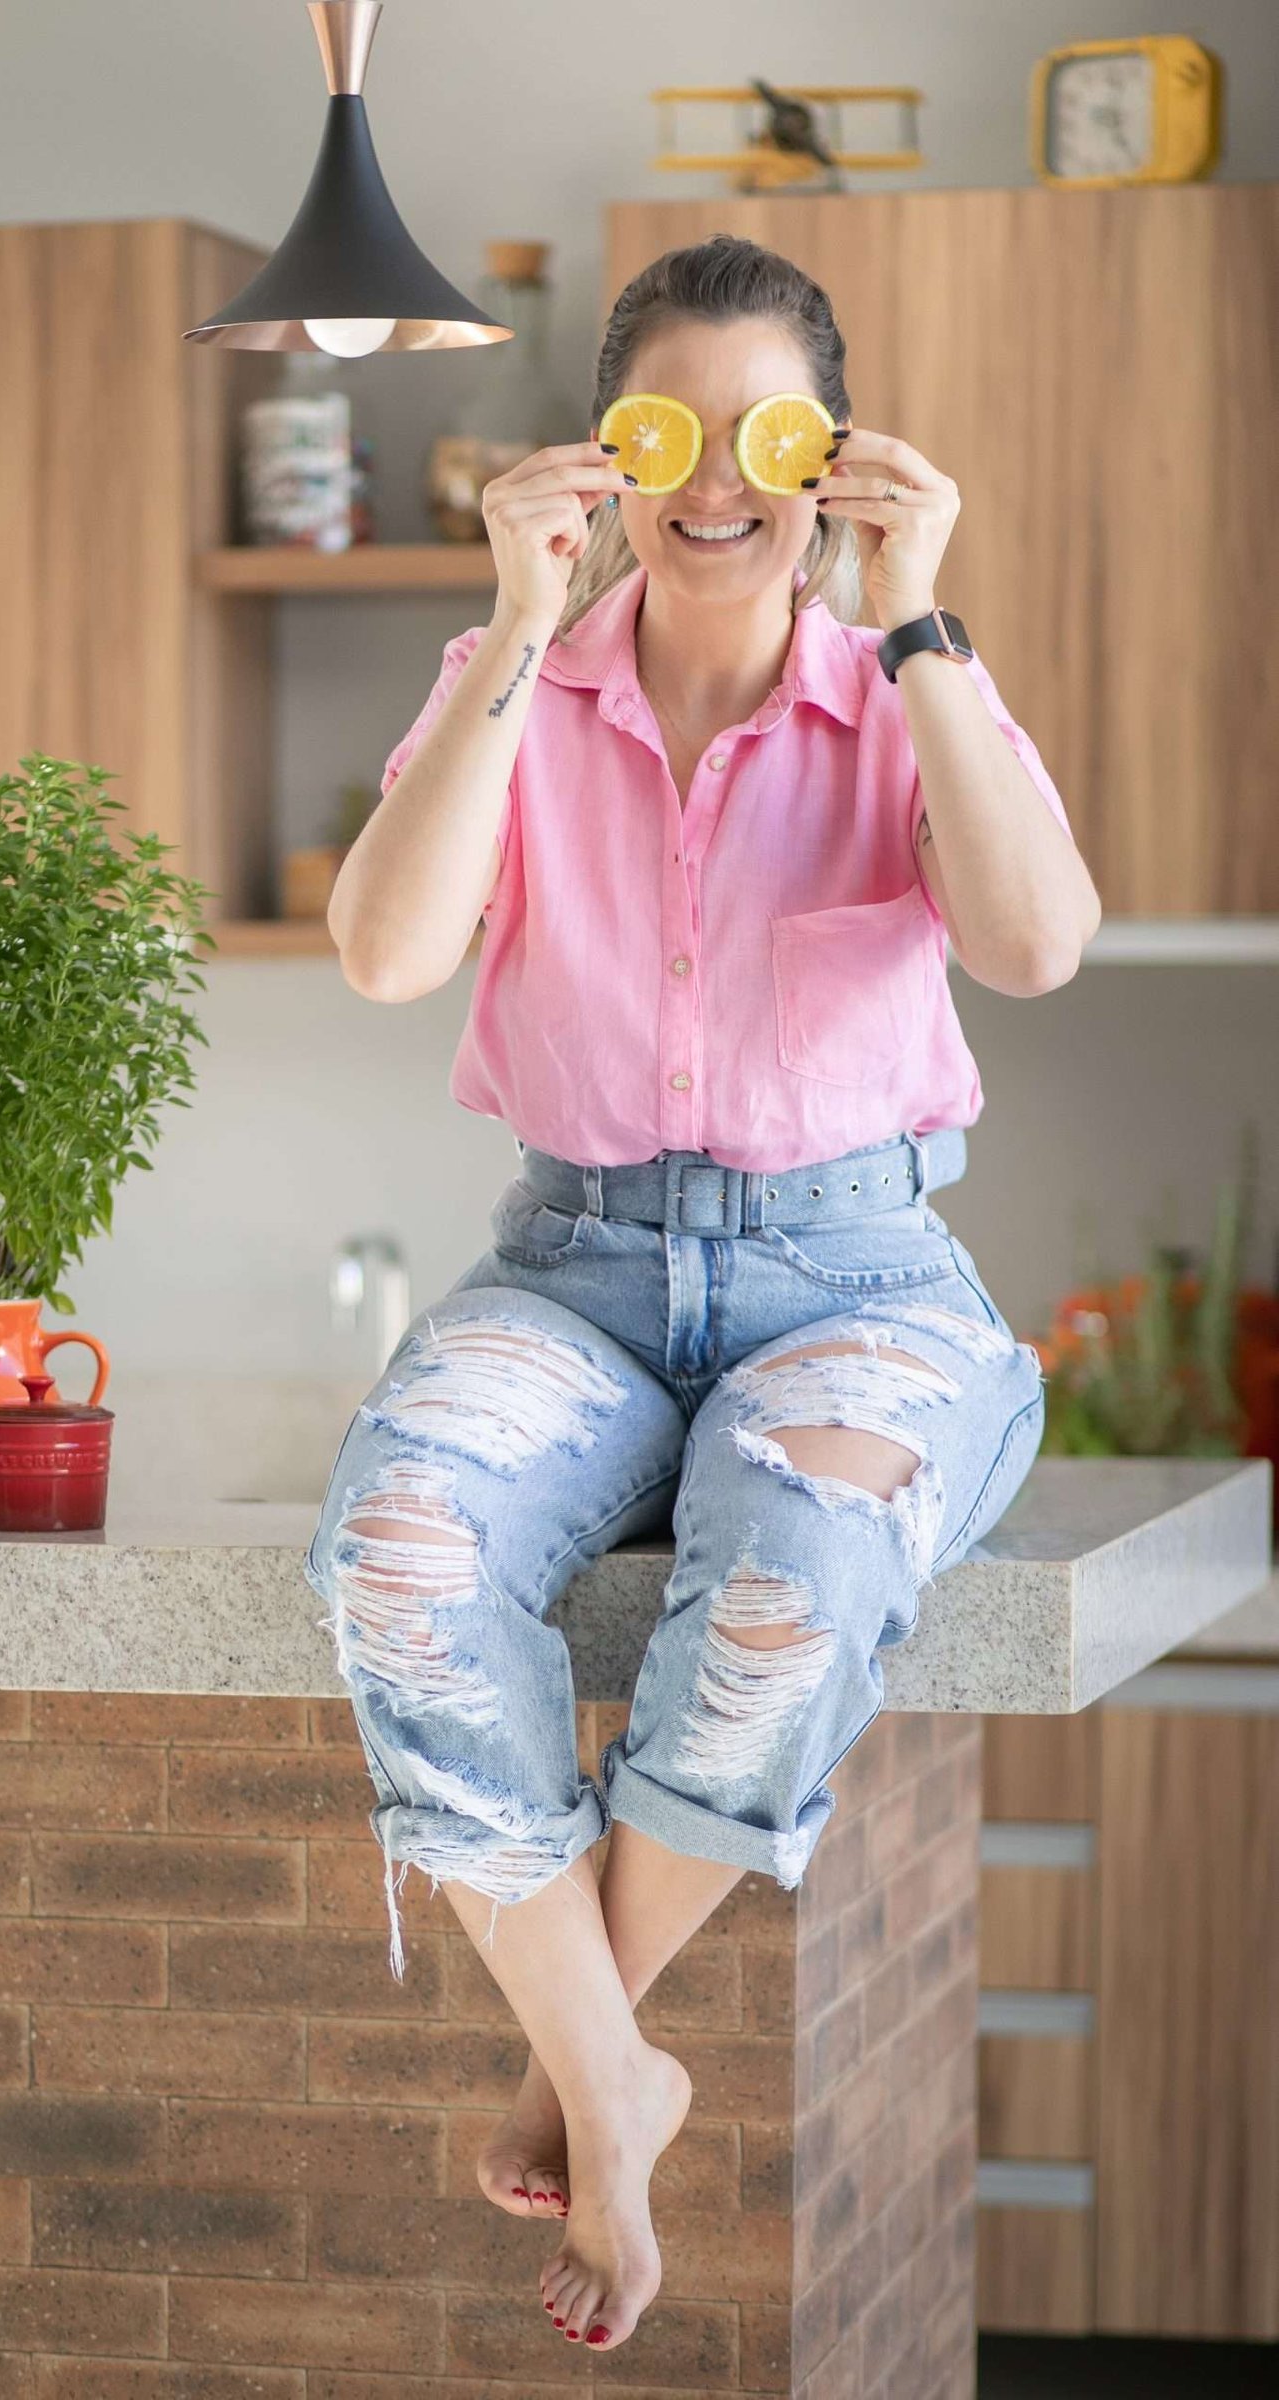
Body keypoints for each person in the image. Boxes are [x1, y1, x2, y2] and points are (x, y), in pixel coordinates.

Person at [303, 234, 1101, 2356]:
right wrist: (505, 625)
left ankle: (592, 2046)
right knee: (392, 1545)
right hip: (565, 1266)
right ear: (606, 453)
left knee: (796, 1558)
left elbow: (1032, 944)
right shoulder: (516, 687)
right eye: (669, 430)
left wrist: (922, 619)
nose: (717, 482)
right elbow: (384, 954)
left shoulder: (898, 687)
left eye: (767, 433)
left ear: (824, 456)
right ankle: (615, 2079)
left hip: (855, 1275)